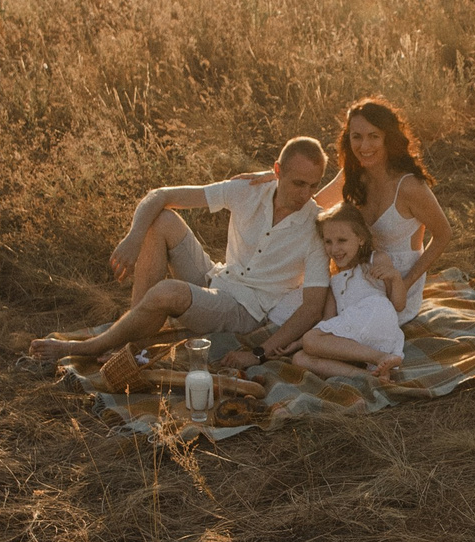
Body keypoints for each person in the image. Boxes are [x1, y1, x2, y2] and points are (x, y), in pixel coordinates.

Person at [28, 137, 332, 365]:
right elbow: (160, 196)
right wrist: (133, 238)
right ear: (277, 171)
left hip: (245, 309)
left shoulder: (316, 226)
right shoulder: (248, 190)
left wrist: (258, 354)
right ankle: (135, 340)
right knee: (161, 220)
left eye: (312, 186)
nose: (305, 195)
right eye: (298, 183)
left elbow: (311, 308)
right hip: (217, 278)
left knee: (168, 292)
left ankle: (89, 348)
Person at [315, 95, 452, 326]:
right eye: (356, 137)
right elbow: (314, 204)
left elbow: (443, 234)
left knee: (339, 327)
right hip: (358, 274)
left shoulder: (409, 186)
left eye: (373, 136)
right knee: (309, 312)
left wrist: (406, 283)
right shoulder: (354, 174)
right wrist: (278, 178)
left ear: (388, 138)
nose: (364, 146)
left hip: (396, 286)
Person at [293, 202, 409, 383]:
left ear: (361, 238)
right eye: (328, 242)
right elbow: (327, 321)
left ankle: (380, 357)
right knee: (300, 358)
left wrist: (395, 277)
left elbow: (399, 305)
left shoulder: (375, 260)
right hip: (356, 339)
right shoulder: (333, 279)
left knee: (311, 340)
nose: (334, 249)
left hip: (375, 315)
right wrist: (296, 343)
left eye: (342, 240)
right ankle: (370, 377)